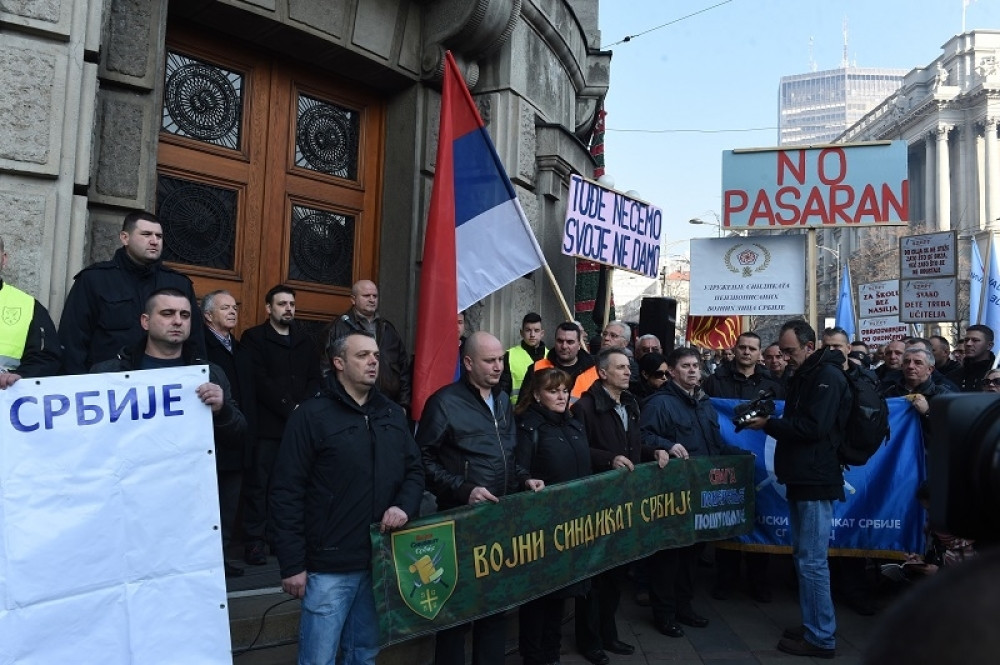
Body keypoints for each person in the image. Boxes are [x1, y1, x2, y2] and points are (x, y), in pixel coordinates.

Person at [270, 331, 423, 665]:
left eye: (377, 355)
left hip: (378, 560)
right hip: (329, 565)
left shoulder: (392, 415)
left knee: (363, 654)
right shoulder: (310, 416)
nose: (373, 362)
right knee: (318, 659)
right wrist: (293, 564)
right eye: (363, 355)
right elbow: (286, 491)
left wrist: (404, 506)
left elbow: (414, 471)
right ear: (338, 363)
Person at [91, 289, 247, 572]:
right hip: (128, 501)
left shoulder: (210, 374)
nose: (177, 321)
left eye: (185, 315)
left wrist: (222, 410)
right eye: (167, 313)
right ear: (145, 321)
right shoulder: (111, 374)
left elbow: (238, 434)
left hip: (186, 505)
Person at [417, 331, 544, 665]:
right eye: (490, 360)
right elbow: (421, 460)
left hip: (500, 519)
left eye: (501, 359)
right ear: (468, 362)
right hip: (460, 521)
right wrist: (462, 489)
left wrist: (524, 478)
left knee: (495, 605)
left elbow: (509, 454)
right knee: (457, 610)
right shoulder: (443, 403)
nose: (498, 366)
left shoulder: (503, 400)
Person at [745, 320, 850, 660]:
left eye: (789, 351)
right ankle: (814, 625)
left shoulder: (826, 377)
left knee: (812, 562)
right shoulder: (808, 374)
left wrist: (769, 424)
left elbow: (813, 428)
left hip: (816, 479)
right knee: (805, 558)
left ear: (809, 346)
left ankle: (821, 637)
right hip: (804, 477)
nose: (785, 357)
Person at [640, 347, 750, 637]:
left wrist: (740, 457)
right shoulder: (659, 403)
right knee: (669, 556)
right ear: (673, 372)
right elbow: (642, 437)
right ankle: (663, 613)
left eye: (695, 366)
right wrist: (663, 444)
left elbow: (714, 443)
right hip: (673, 491)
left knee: (691, 554)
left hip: (702, 491)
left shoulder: (705, 404)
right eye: (685, 366)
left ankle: (684, 607)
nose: (692, 370)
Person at [572, 348, 669, 665]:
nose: (629, 372)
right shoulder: (585, 408)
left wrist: (653, 451)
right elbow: (577, 451)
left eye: (629, 367)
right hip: (597, 502)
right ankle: (590, 640)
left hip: (625, 501)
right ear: (602, 373)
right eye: (621, 367)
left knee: (616, 572)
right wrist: (607, 459)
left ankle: (609, 632)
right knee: (595, 575)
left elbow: (632, 447)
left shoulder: (630, 404)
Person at [59, 211, 203, 374]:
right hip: (110, 384)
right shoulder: (95, 280)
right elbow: (73, 341)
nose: (154, 241)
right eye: (146, 234)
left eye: (159, 236)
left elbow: (195, 341)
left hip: (169, 383)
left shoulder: (178, 283)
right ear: (124, 238)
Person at [240, 284, 322, 566]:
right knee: (259, 485)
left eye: (291, 304)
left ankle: (279, 537)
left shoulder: (305, 340)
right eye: (282, 304)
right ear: (268, 309)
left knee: (288, 485)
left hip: (298, 428)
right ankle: (254, 541)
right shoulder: (253, 339)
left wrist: (304, 408)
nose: (288, 309)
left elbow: (314, 378)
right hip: (267, 426)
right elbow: (258, 380)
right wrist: (290, 407)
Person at [514, 368, 591, 665]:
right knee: (538, 595)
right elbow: (518, 467)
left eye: (564, 390)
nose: (561, 396)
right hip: (541, 524)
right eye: (553, 391)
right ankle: (533, 656)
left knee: (561, 591)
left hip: (572, 523)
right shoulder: (529, 426)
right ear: (536, 395)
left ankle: (552, 652)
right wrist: (526, 481)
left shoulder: (573, 423)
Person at [700, 332, 783, 603]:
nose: (747, 352)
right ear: (734, 350)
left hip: (762, 465)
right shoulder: (715, 381)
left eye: (752, 348)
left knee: (762, 515)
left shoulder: (773, 384)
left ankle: (759, 582)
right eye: (742, 347)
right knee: (728, 516)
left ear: (760, 354)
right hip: (728, 462)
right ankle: (726, 580)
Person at [202, 290, 256, 577]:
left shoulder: (241, 350)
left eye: (234, 307)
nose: (233, 311)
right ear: (208, 315)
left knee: (228, 506)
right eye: (225, 308)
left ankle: (220, 558)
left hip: (236, 438)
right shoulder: (200, 349)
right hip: (208, 442)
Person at [328, 279, 410, 408]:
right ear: (353, 300)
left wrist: (404, 404)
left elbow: (403, 368)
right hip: (349, 404)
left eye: (375, 296)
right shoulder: (338, 328)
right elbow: (325, 369)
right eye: (366, 296)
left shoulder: (387, 328)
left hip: (387, 403)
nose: (372, 300)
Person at [0, 236, 61, 388]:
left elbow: (46, 358)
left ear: (4, 259)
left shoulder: (28, 306)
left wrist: (22, 376)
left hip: (6, 401)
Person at [521, 321, 598, 404]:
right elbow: (523, 406)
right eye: (560, 341)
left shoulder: (595, 372)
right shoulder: (537, 368)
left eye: (570, 342)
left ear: (579, 344)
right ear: (555, 341)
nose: (564, 346)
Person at [499, 312, 546, 402]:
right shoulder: (510, 356)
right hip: (517, 411)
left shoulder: (550, 356)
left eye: (536, 330)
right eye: (528, 330)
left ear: (542, 333)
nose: (532, 334)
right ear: (521, 332)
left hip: (545, 411)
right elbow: (503, 390)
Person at [947, 325, 996, 392]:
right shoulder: (953, 376)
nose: (968, 344)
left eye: (975, 340)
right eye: (966, 340)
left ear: (989, 345)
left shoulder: (996, 373)